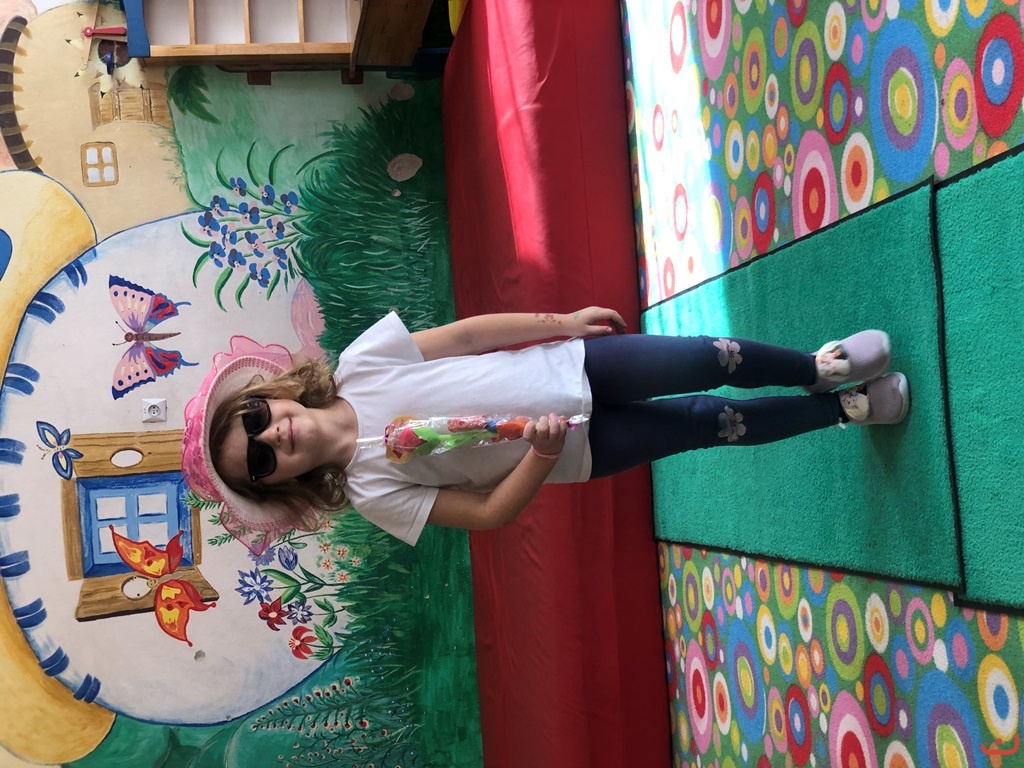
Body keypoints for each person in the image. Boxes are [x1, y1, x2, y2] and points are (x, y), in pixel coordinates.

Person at [180, 308, 909, 554]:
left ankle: (816, 367)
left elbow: (468, 338)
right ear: (279, 485)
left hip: (572, 365)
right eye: (260, 462)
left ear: (269, 397)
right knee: (708, 422)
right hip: (578, 451)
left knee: (705, 357)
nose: (272, 439)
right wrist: (541, 454)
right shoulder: (373, 492)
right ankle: (840, 410)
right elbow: (488, 513)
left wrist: (559, 322)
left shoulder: (362, 363)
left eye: (256, 422)